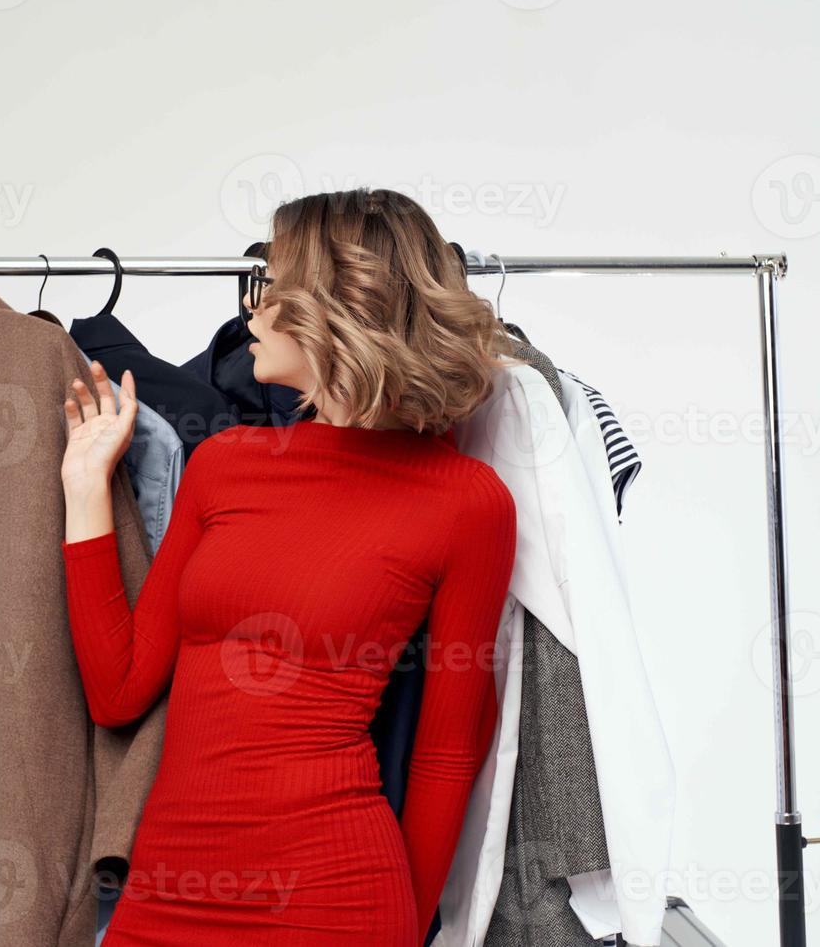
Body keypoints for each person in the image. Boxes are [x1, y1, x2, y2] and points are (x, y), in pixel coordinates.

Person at [58, 188, 519, 946]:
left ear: (336, 304)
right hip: (166, 893)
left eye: (273, 288)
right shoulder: (224, 466)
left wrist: (403, 931)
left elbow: (447, 751)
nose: (252, 310)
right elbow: (118, 689)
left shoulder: (467, 502)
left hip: (333, 900)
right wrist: (85, 489)